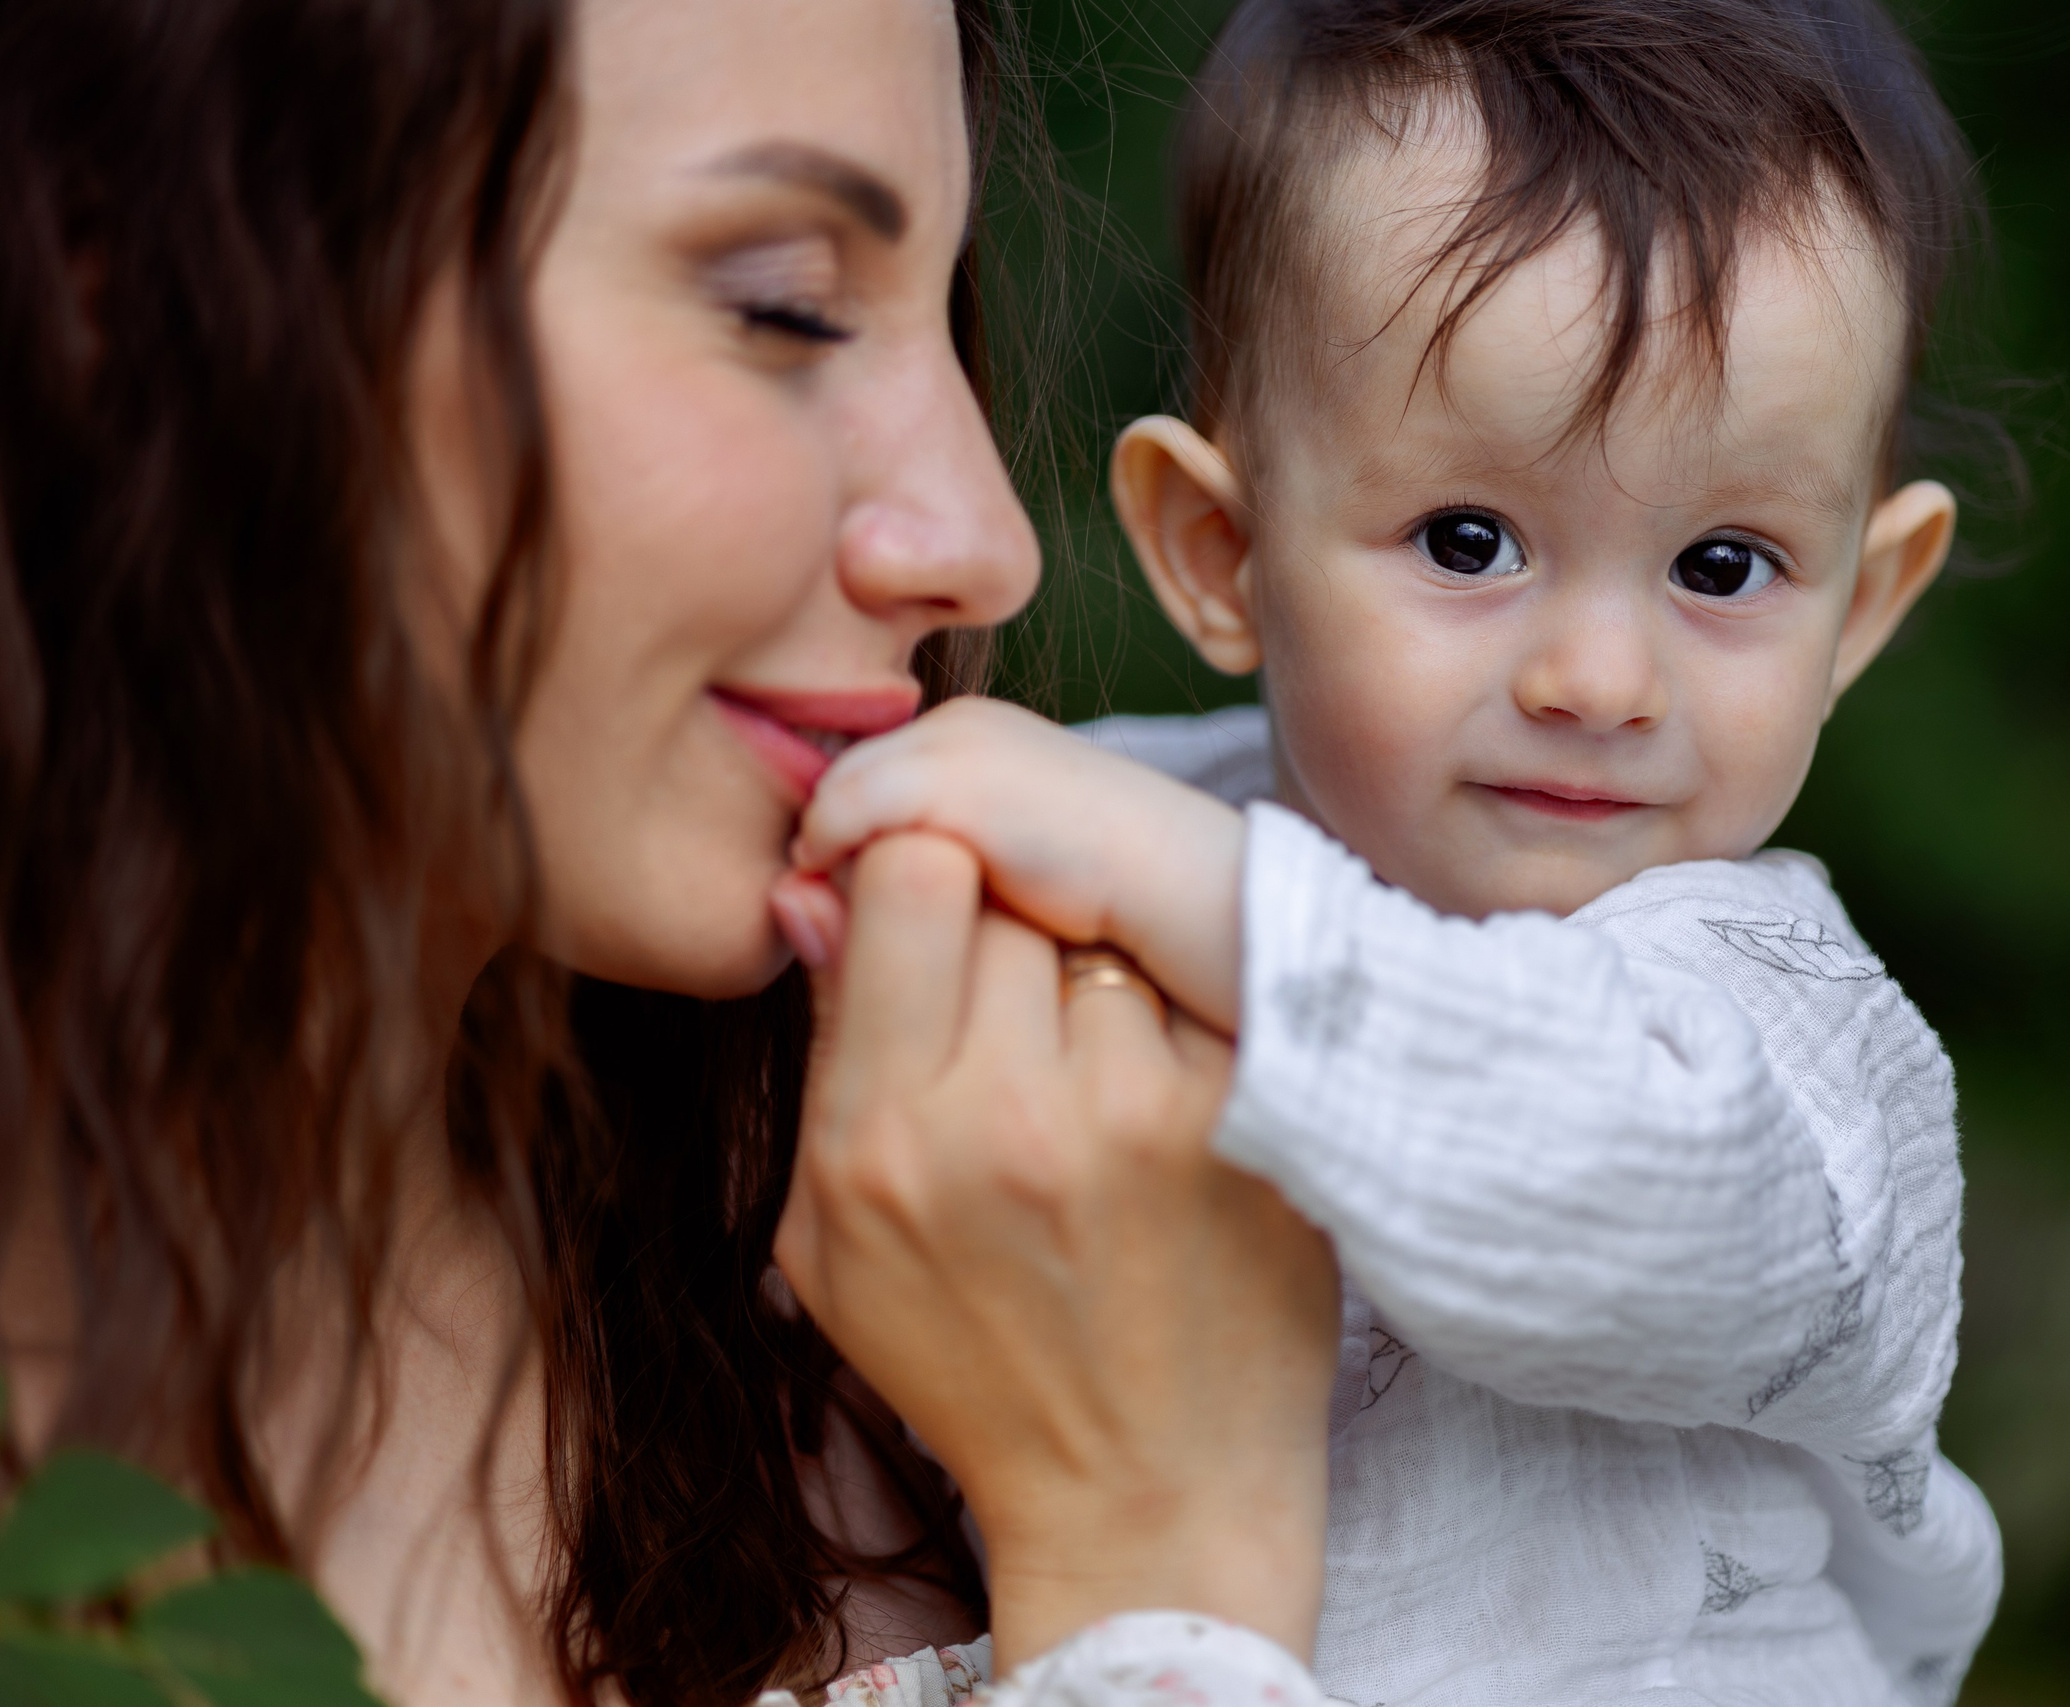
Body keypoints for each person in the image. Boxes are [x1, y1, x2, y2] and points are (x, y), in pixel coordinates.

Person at [0, 3, 1349, 1704]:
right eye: (783, 305)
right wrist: (1153, 1568)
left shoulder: (920, 1281)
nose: (986, 542)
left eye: (939, 311)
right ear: (110, 286)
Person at [787, 1, 2006, 1703]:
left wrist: (1184, 895)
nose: (1598, 682)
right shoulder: (1140, 834)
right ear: (1220, 552)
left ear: (1862, 606)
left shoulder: (1781, 1025)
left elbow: (1623, 1182)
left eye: (1724, 567)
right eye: (1470, 540)